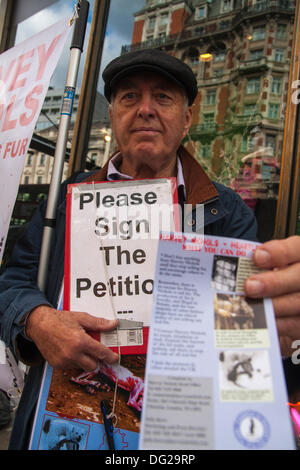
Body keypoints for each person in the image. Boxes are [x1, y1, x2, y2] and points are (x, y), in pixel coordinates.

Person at [0, 49, 299, 449]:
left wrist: (268, 333)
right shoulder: (67, 197)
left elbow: (239, 326)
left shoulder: (224, 214)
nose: (145, 110)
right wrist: (37, 321)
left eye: (162, 97)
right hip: (64, 417)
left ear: (187, 118)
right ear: (113, 115)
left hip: (171, 430)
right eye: (129, 97)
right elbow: (12, 282)